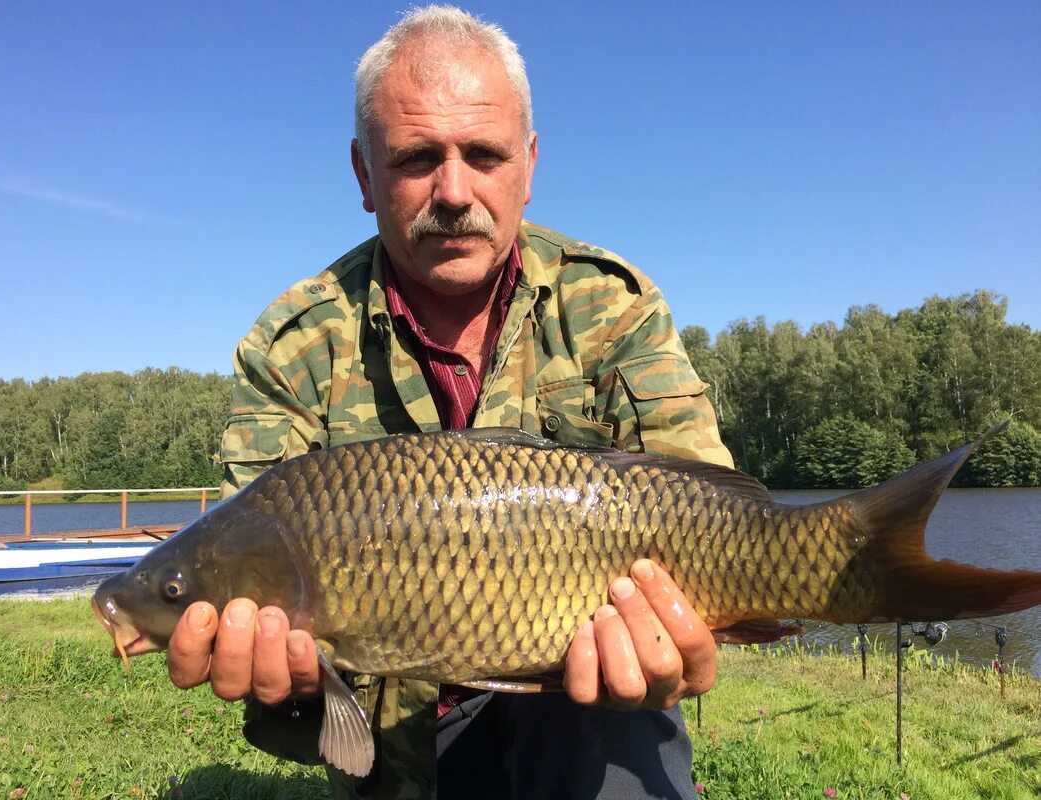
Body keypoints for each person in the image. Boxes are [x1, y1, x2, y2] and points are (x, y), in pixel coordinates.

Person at [167, 6, 733, 799]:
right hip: (402, 725)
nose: (454, 191)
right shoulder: (293, 342)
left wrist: (684, 630)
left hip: (590, 695)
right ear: (364, 175)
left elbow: (707, 509)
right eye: (415, 158)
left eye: (485, 154)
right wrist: (278, 668)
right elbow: (246, 553)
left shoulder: (612, 306)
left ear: (528, 165)